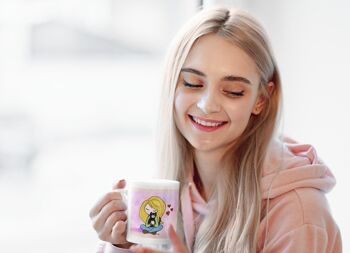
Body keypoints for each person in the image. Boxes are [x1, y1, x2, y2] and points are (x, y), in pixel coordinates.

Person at [89, 6, 342, 253]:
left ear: (260, 100)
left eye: (233, 91)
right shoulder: (169, 192)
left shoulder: (299, 212)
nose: (207, 105)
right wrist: (121, 245)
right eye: (192, 83)